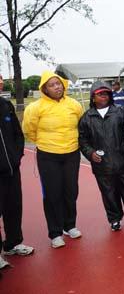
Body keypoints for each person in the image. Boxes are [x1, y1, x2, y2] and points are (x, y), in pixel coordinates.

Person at [22, 71, 84, 249]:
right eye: (52, 85)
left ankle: (69, 225)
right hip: (48, 155)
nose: (57, 87)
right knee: (52, 194)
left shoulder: (74, 104)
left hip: (72, 153)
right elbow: (29, 129)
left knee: (71, 191)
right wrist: (45, 142)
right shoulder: (35, 107)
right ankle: (55, 232)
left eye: (58, 83)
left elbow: (81, 125)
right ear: (44, 89)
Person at [79, 81, 124, 231]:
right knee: (109, 194)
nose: (104, 96)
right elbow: (83, 140)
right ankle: (114, 219)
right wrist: (90, 153)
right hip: (102, 164)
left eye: (107, 93)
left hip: (123, 161)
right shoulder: (86, 117)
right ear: (93, 97)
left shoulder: (121, 112)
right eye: (100, 94)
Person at [0, 95, 34, 270]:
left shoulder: (6, 105)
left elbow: (17, 134)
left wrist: (16, 156)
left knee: (14, 207)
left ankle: (13, 243)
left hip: (12, 169)